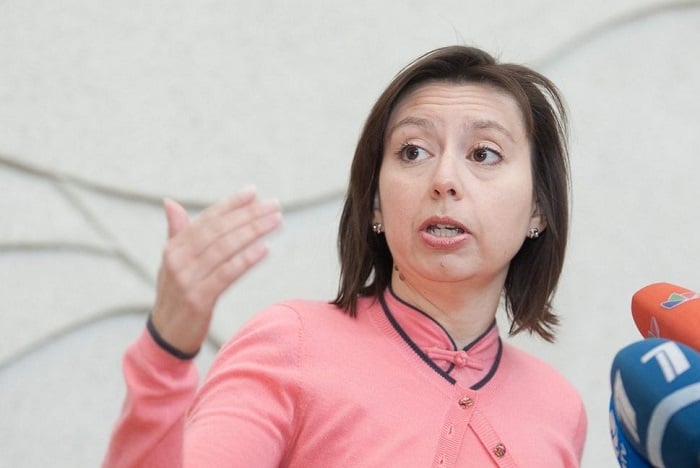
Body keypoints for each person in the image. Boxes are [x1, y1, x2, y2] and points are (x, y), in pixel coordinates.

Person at [103, 45, 587, 467]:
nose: (444, 179)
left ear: (538, 210)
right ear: (376, 201)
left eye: (483, 154)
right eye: (413, 151)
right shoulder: (289, 344)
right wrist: (165, 355)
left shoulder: (560, 409)